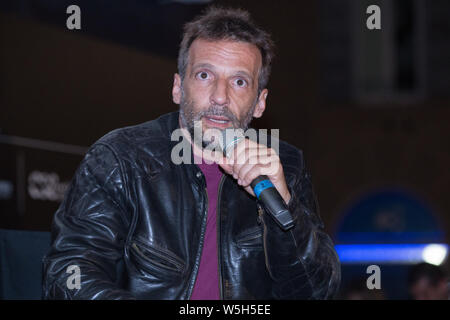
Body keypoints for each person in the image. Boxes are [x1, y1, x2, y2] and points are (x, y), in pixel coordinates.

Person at [42, 6, 340, 300]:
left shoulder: (285, 165)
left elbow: (317, 292)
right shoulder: (120, 158)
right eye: (204, 76)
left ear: (260, 102)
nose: (220, 97)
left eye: (239, 82)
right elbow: (68, 275)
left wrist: (285, 206)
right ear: (177, 88)